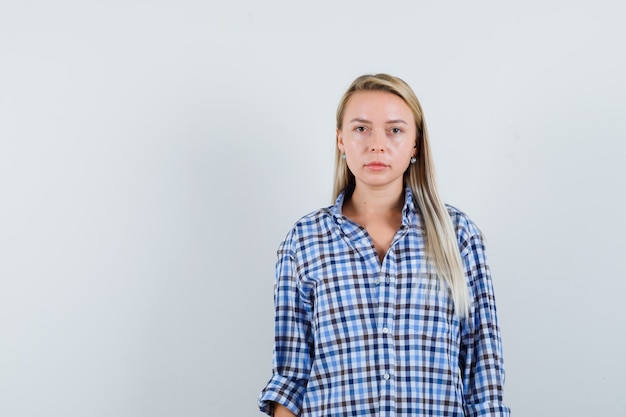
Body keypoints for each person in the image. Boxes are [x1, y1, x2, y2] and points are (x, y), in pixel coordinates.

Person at [258, 74, 509, 416]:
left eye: (395, 130)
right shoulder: (304, 241)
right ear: (340, 140)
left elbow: (484, 371)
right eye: (361, 128)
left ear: (416, 144)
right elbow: (290, 377)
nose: (377, 144)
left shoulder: (459, 236)